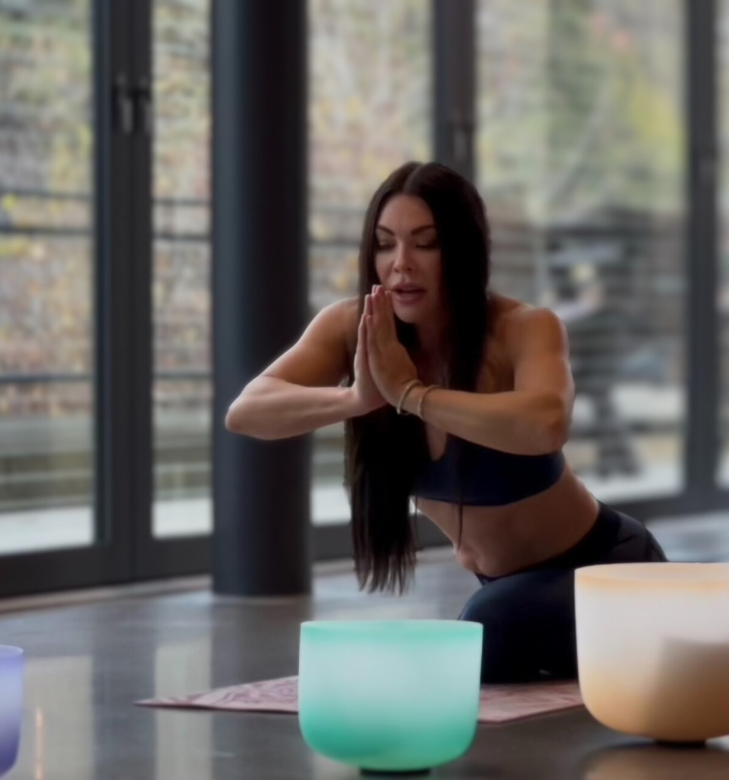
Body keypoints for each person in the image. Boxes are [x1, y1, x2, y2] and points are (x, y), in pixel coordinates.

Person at [225, 161, 666, 683]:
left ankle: (669, 616)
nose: (401, 264)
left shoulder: (523, 328)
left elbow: (547, 422)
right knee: (478, 630)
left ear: (462, 249)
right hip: (509, 590)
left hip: (606, 571)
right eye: (386, 244)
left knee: (483, 629)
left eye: (425, 243)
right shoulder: (356, 328)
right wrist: (359, 399)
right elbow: (247, 411)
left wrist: (412, 394)